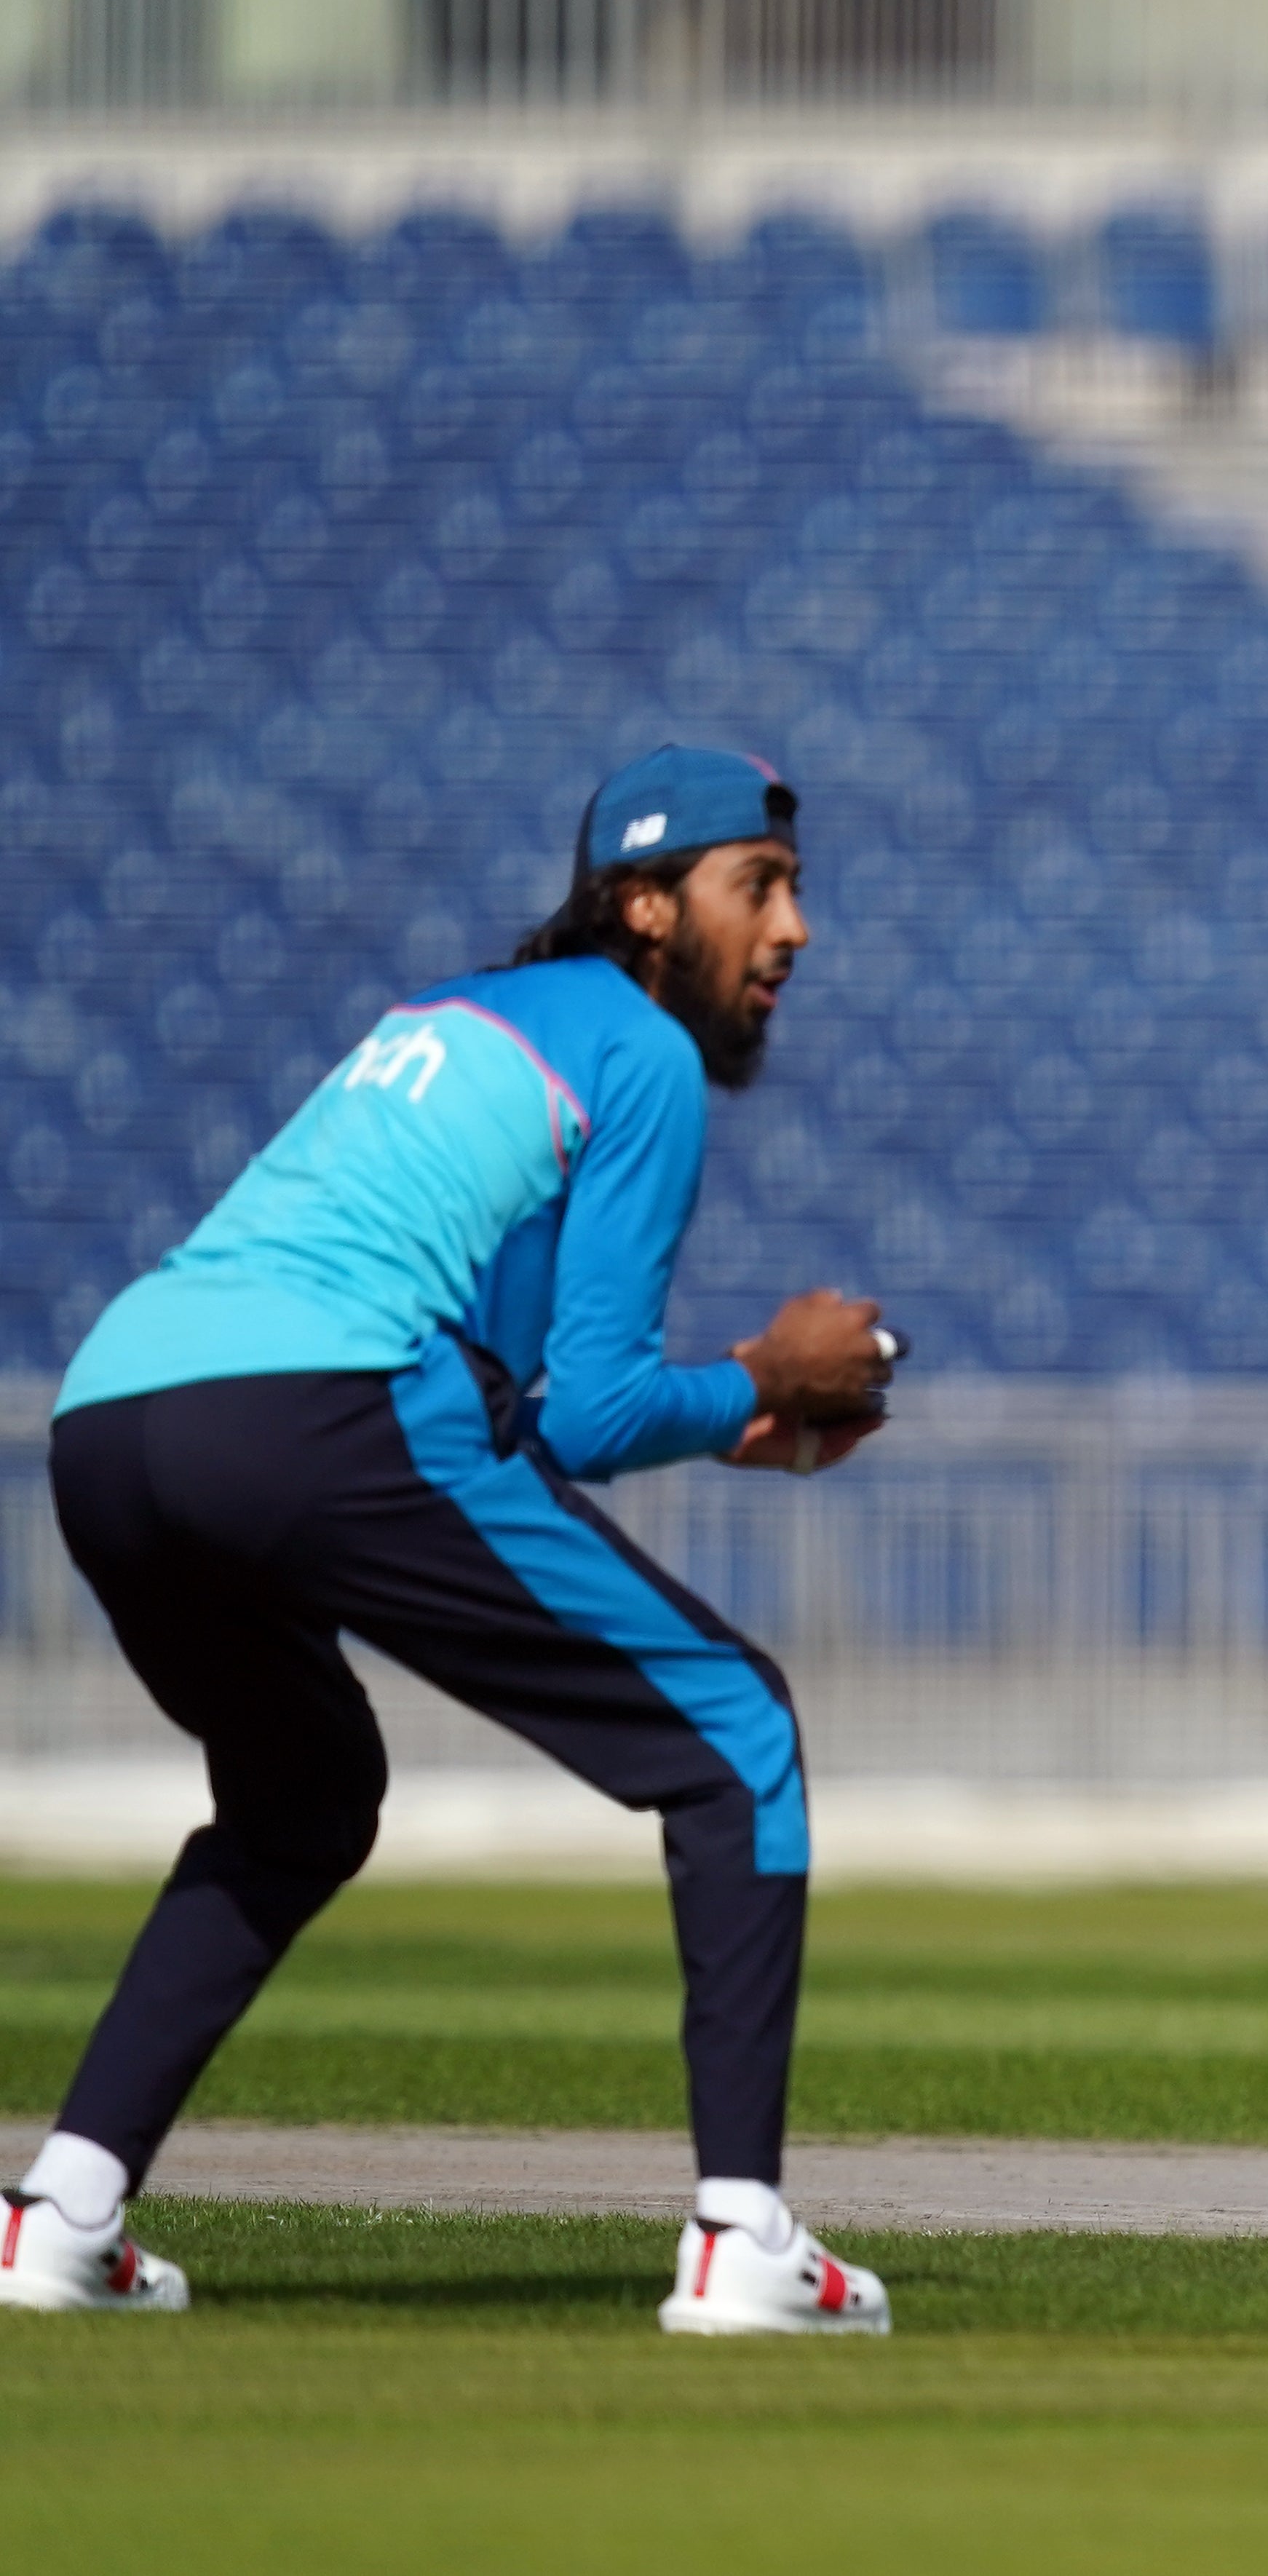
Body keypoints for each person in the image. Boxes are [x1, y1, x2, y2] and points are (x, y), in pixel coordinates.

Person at [0, 748, 909, 2338]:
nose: (796, 927)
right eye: (757, 885)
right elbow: (598, 1404)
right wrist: (772, 1377)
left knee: (301, 1796)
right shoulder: (642, 1051)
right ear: (645, 906)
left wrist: (729, 1417)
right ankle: (743, 2237)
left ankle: (59, 2217)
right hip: (321, 1401)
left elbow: (537, 1414)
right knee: (736, 1734)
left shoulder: (441, 1020)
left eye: (798, 887)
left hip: (117, 1409)